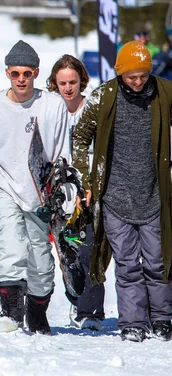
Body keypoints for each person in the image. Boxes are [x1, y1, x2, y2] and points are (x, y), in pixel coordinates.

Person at [0, 40, 68, 335]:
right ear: (7, 73)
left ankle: (36, 311)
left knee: (41, 259)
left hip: (38, 190)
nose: (21, 79)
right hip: (4, 184)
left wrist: (62, 187)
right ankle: (10, 311)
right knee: (11, 244)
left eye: (27, 73)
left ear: (36, 73)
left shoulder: (51, 104)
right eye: (15, 73)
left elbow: (61, 151)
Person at [72, 41, 172, 342]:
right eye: (132, 76)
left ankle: (163, 318)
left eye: (143, 75)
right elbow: (80, 137)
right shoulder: (104, 97)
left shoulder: (165, 93)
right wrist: (86, 180)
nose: (138, 81)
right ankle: (133, 322)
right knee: (128, 265)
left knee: (158, 261)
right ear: (120, 74)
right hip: (115, 196)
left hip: (154, 194)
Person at [46, 54, 105, 331]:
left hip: (89, 189)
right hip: (59, 190)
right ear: (54, 84)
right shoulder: (49, 108)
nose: (68, 88)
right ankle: (75, 296)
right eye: (62, 83)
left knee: (89, 249)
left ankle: (89, 311)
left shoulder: (92, 107)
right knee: (67, 253)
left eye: (73, 82)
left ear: (82, 80)